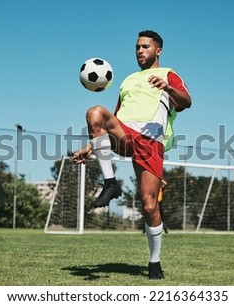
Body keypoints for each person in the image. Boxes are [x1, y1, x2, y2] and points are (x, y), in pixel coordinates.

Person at [72, 30, 192, 279]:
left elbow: (187, 101)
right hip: (126, 134)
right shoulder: (127, 81)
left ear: (157, 50)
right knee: (95, 112)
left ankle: (154, 262)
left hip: (150, 142)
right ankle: (110, 183)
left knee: (149, 205)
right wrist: (89, 146)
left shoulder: (167, 74)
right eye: (137, 47)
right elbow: (111, 121)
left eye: (145, 47)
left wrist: (167, 88)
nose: (139, 51)